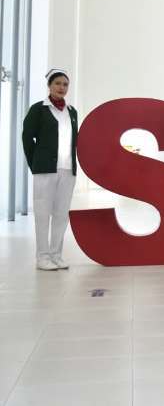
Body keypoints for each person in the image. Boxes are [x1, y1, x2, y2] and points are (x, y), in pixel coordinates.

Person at [21, 70, 79, 271]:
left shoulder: (72, 112)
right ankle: (42, 257)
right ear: (49, 85)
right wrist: (35, 164)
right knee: (43, 214)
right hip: (45, 170)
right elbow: (27, 138)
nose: (62, 87)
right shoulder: (38, 109)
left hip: (68, 170)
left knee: (61, 214)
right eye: (58, 83)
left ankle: (56, 255)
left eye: (65, 84)